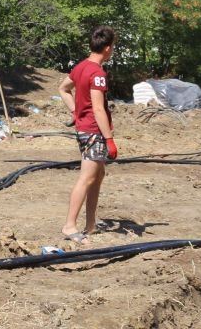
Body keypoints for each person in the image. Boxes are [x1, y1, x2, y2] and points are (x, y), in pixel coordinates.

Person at [57, 25, 119, 242]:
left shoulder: (81, 67)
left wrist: (75, 112)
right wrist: (109, 140)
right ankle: (69, 225)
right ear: (108, 48)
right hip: (93, 132)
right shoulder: (97, 73)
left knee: (97, 176)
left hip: (85, 130)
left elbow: (63, 89)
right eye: (113, 48)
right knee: (86, 178)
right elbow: (98, 108)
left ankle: (91, 224)